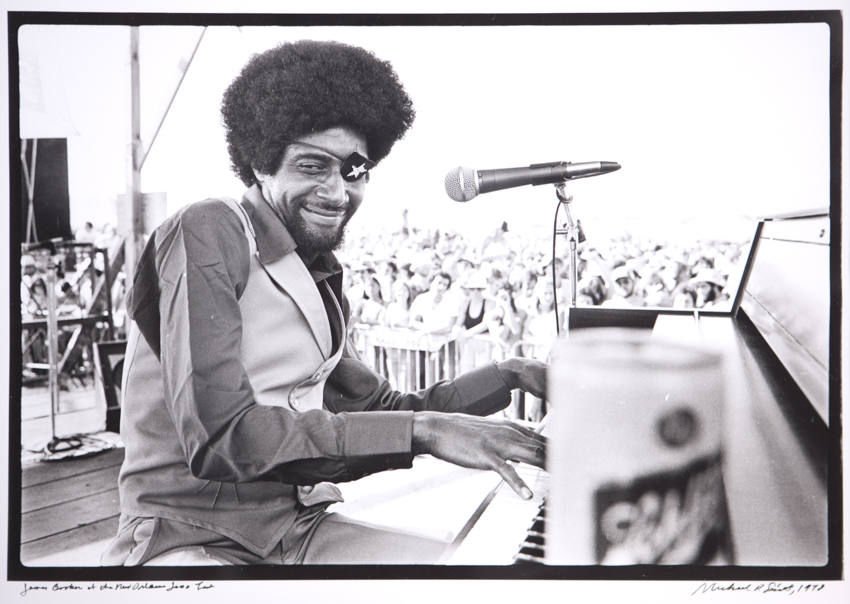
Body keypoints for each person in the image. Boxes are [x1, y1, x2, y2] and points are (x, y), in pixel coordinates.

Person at [102, 40, 547, 567]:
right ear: (260, 165)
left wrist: (508, 374)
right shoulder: (207, 228)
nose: (338, 192)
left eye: (354, 171)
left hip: (301, 530)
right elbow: (222, 438)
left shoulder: (316, 272)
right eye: (313, 166)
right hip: (189, 537)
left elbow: (386, 411)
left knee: (481, 577)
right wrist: (425, 432)